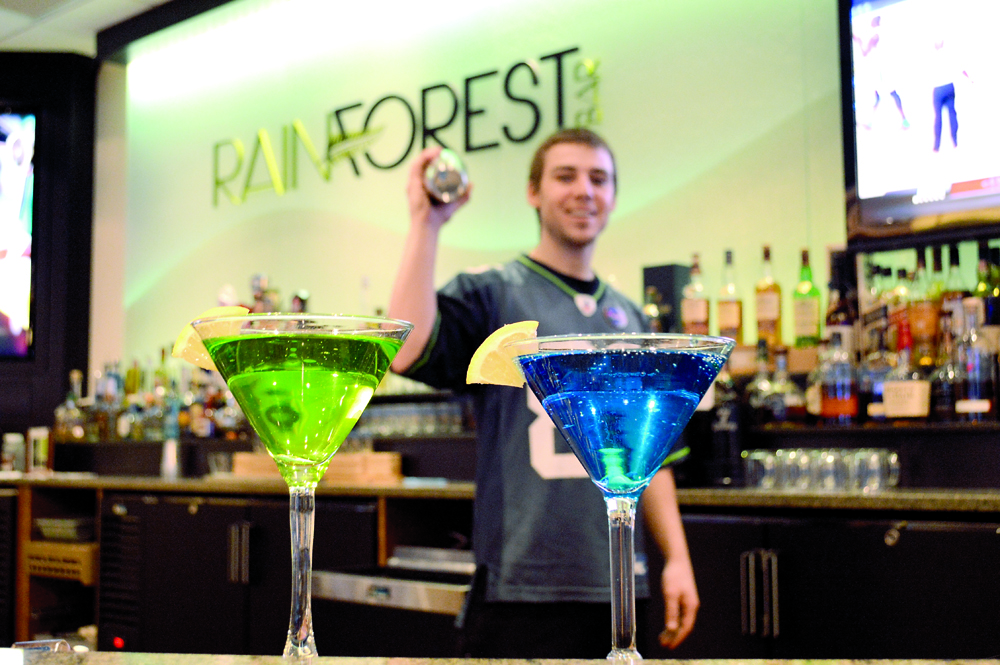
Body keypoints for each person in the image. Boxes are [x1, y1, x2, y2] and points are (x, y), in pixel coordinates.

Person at [387, 128, 699, 658]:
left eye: (598, 179)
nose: (584, 190)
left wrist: (677, 558)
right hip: (521, 584)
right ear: (534, 192)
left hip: (621, 579)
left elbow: (658, 455)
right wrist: (426, 222)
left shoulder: (633, 317)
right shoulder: (494, 292)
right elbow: (406, 348)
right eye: (565, 176)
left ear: (614, 197)